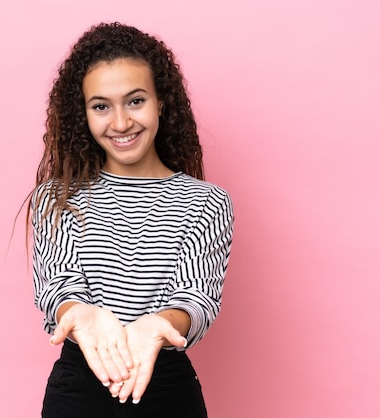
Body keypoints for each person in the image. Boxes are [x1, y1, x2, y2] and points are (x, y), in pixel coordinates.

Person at [29, 22, 234, 418]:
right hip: (79, 390)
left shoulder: (207, 202)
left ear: (161, 103)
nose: (121, 123)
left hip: (167, 392)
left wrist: (157, 325)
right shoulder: (56, 198)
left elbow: (196, 296)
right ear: (83, 114)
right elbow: (58, 284)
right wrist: (80, 313)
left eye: (135, 101)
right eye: (101, 106)